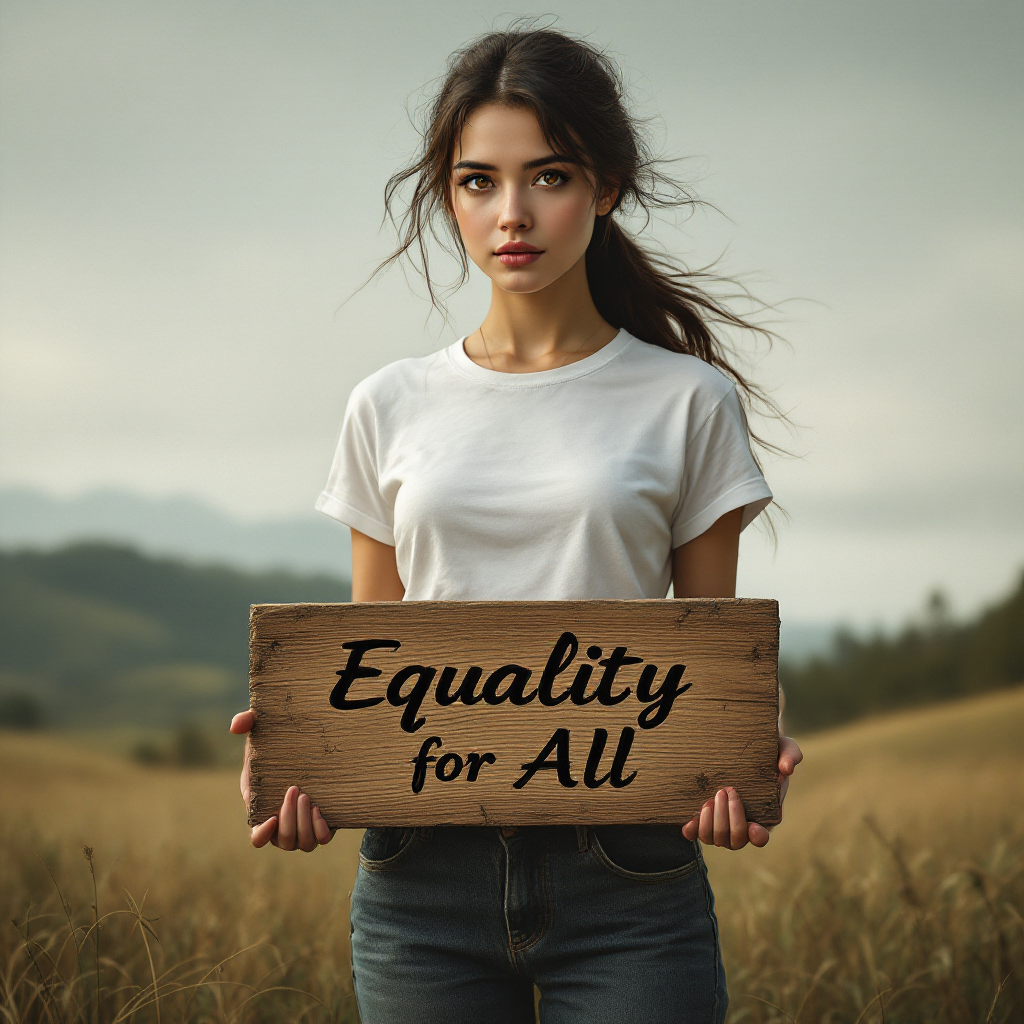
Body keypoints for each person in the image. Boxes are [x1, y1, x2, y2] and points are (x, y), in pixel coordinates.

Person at [230, 26, 802, 1024]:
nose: (511, 214)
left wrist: (736, 755)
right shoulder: (387, 404)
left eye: (547, 176)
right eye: (477, 182)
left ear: (606, 184)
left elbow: (707, 654)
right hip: (420, 879)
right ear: (448, 196)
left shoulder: (689, 401)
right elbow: (373, 649)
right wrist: (311, 757)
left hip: (626, 871)